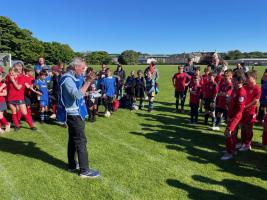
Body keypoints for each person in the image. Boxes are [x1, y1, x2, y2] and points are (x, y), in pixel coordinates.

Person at [56, 57, 99, 178]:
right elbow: (77, 95)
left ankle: (72, 165)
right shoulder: (67, 79)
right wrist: (88, 82)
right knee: (81, 141)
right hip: (73, 115)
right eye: (83, 68)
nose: (84, 70)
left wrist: (87, 84)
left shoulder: (72, 76)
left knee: (73, 140)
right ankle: (85, 171)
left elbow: (78, 91)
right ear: (76, 67)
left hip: (73, 113)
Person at [221, 71, 247, 160]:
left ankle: (229, 153)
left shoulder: (241, 92)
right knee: (233, 133)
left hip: (235, 116)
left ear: (240, 81)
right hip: (231, 115)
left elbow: (240, 110)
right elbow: (232, 102)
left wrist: (233, 119)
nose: (232, 80)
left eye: (234, 79)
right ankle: (232, 150)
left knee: (228, 132)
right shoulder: (235, 90)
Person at [6, 66, 36, 131]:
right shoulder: (8, 77)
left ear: (16, 73)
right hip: (10, 98)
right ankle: (17, 126)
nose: (11, 75)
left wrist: (13, 80)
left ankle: (31, 126)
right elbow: (7, 87)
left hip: (19, 98)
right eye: (10, 73)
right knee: (14, 112)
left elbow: (18, 88)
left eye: (12, 73)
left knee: (24, 112)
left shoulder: (21, 78)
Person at [239, 71, 261, 151]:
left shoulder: (257, 88)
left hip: (251, 111)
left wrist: (245, 107)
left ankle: (248, 144)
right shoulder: (245, 86)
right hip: (243, 110)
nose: (246, 80)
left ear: (253, 78)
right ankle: (243, 143)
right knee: (242, 127)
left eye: (248, 78)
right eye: (246, 78)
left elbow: (256, 101)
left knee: (248, 128)